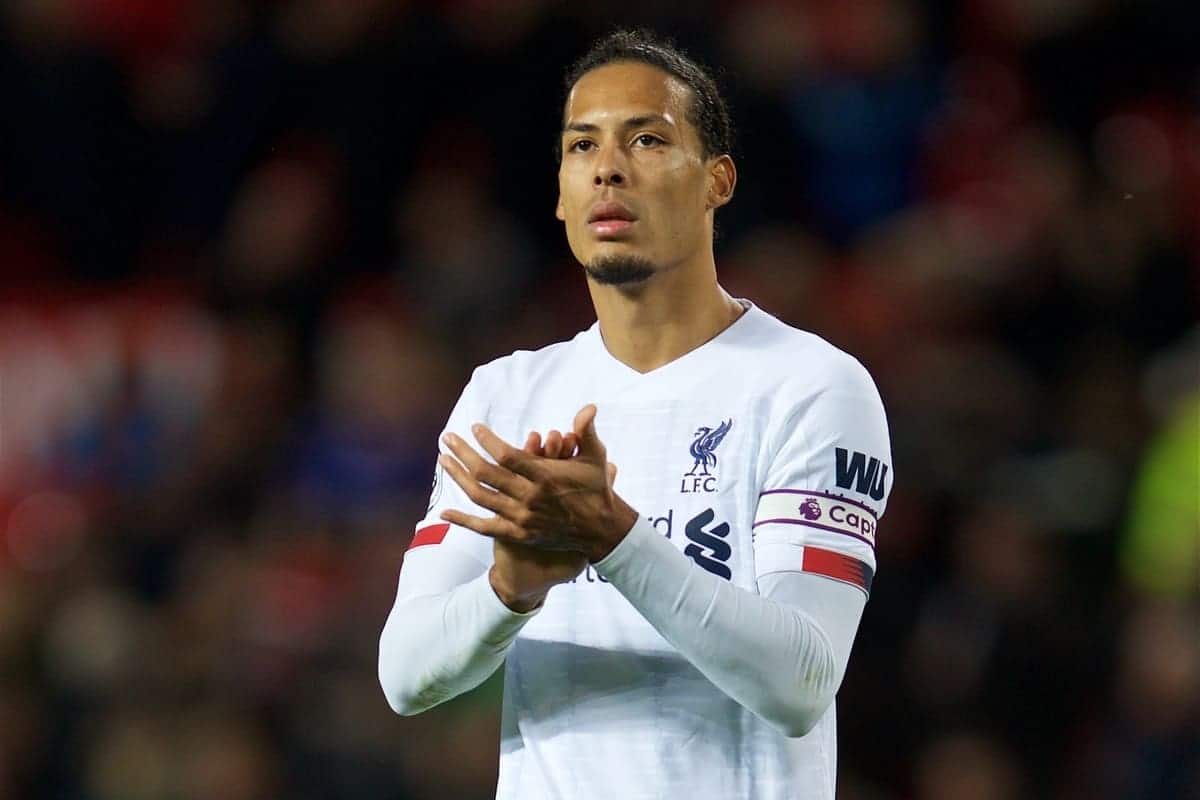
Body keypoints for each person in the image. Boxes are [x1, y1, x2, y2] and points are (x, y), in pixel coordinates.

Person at [379, 28, 893, 800]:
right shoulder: (507, 394)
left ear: (718, 182)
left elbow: (802, 681)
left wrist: (614, 540)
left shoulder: (811, 385)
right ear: (559, 193)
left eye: (647, 139)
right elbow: (405, 675)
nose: (608, 167)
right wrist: (510, 588)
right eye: (582, 147)